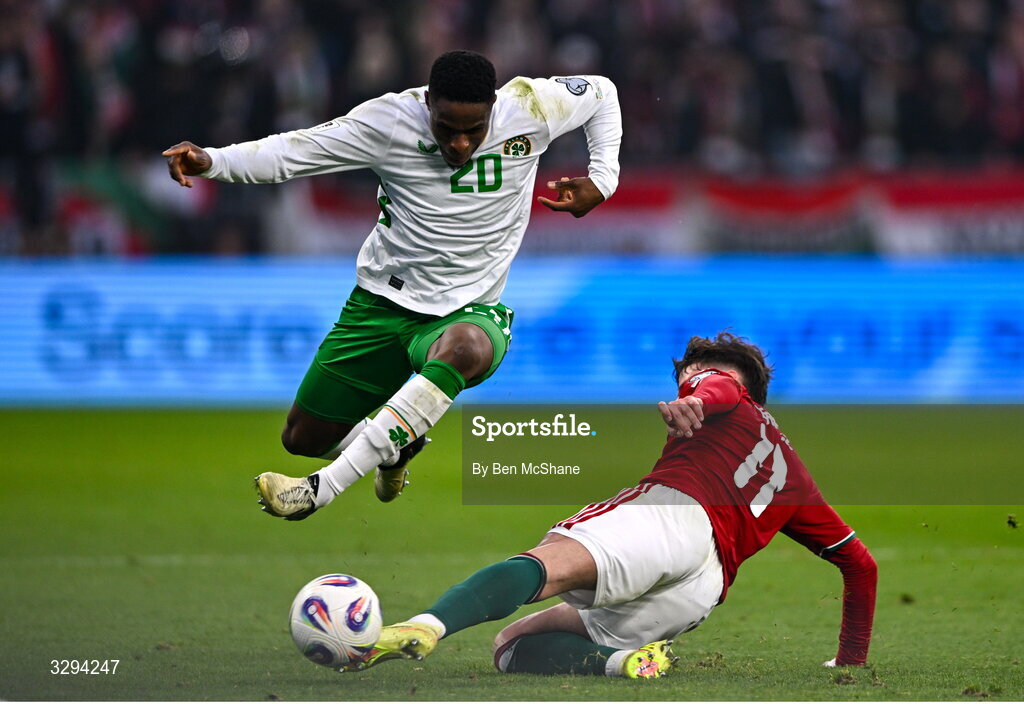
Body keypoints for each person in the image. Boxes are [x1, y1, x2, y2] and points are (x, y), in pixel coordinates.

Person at [161, 50, 622, 519]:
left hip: (469, 311)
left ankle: (320, 491)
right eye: (447, 128)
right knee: (303, 437)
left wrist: (603, 179)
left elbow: (602, 92)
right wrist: (213, 160)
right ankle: (397, 445)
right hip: (382, 303)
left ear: (494, 108)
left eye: (474, 130)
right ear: (428, 104)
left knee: (464, 348)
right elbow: (297, 151)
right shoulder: (388, 121)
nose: (460, 145)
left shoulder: (530, 106)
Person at [343, 332, 878, 678]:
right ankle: (622, 663)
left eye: (689, 374)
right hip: (701, 592)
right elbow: (861, 565)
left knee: (544, 565)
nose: (687, 381)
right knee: (511, 646)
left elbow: (718, 388)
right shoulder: (796, 477)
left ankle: (424, 625)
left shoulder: (716, 385)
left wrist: (694, 397)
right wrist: (850, 660)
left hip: (672, 517)